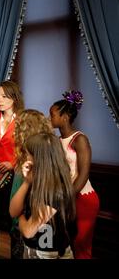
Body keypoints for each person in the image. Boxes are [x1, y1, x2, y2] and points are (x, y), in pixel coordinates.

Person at [10, 133, 76, 259]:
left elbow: (29, 231)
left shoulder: (56, 190)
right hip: (33, 248)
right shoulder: (36, 179)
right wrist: (26, 182)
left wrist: (20, 216)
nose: (26, 158)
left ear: (39, 158)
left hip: (49, 253)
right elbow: (12, 211)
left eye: (28, 154)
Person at [50, 90, 99, 259]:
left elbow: (83, 174)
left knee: (80, 245)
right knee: (66, 245)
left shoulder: (80, 139)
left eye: (53, 115)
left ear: (64, 117)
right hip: (65, 199)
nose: (50, 118)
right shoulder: (56, 141)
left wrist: (65, 200)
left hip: (83, 199)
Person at [9, 109, 54, 259]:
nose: (13, 133)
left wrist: (19, 219)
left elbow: (26, 225)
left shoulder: (31, 165)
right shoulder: (25, 161)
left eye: (17, 129)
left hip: (32, 230)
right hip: (29, 227)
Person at [0, 80, 24, 232]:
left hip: (16, 174)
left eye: (4, 96)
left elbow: (27, 149)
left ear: (14, 98)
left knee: (13, 217)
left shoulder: (23, 120)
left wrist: (13, 164)